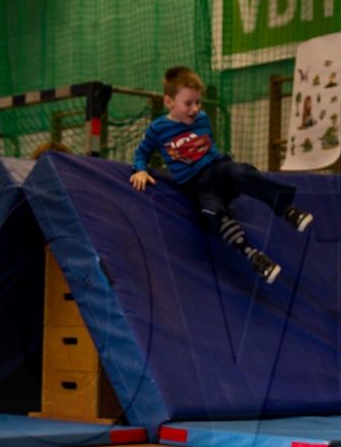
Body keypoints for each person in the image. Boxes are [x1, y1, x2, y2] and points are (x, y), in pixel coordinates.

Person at [130, 66, 313, 284]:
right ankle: (254, 256)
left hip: (217, 171)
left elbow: (210, 153)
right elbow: (142, 152)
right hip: (197, 186)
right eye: (188, 103)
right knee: (212, 214)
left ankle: (286, 210)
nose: (195, 108)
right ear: (169, 102)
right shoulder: (158, 129)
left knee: (239, 171)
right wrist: (140, 169)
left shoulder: (203, 119)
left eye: (197, 102)